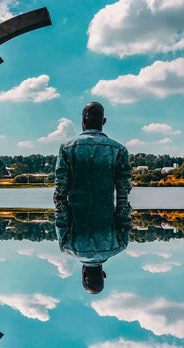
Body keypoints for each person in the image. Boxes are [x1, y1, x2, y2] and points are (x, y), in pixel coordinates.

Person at [54, 102, 132, 293]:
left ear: (82, 121)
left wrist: (60, 198)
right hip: (106, 205)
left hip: (76, 205)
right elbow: (123, 192)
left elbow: (60, 191)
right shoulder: (119, 150)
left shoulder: (67, 147)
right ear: (104, 122)